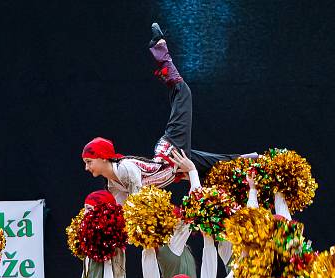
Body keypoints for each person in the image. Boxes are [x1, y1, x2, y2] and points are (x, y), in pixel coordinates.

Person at [82, 23, 250, 204]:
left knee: (183, 94)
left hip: (171, 152)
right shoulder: (113, 182)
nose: (86, 167)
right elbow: (121, 208)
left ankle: (160, 51)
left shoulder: (125, 168)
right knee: (217, 166)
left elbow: (138, 204)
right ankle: (254, 160)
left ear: (102, 157)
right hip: (174, 168)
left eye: (89, 161)